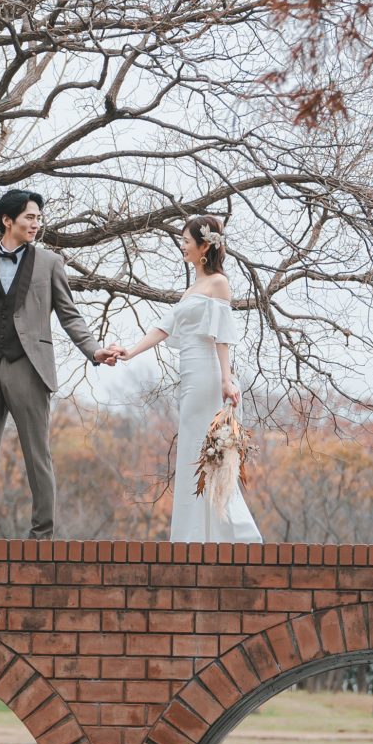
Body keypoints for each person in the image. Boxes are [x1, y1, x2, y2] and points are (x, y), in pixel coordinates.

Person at [0, 188, 118, 538]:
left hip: (30, 366)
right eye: (30, 217)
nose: (36, 224)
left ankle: (41, 535)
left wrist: (94, 350)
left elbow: (69, 315)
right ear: (8, 220)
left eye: (38, 218)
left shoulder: (50, 263)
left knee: (37, 455)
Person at [109, 216, 263, 543]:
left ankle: (232, 535)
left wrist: (226, 379)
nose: (182, 246)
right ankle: (195, 536)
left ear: (204, 245)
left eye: (186, 241)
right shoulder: (192, 288)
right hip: (189, 374)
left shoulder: (218, 283)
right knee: (193, 450)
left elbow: (221, 336)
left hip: (208, 373)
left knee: (206, 450)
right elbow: (165, 326)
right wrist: (130, 352)